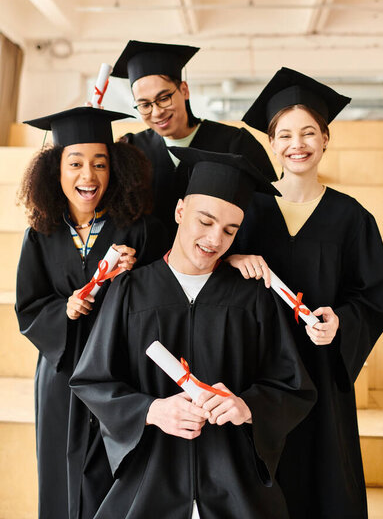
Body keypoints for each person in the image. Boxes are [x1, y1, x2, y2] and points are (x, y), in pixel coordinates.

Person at [70, 148, 316, 519]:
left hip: (235, 485)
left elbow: (293, 387)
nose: (215, 239)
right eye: (205, 221)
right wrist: (151, 410)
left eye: (230, 230)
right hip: (149, 482)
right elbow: (92, 380)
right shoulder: (130, 291)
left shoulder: (251, 298)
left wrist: (246, 406)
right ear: (180, 211)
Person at [227, 67, 383, 519]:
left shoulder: (351, 217)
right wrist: (233, 260)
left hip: (319, 368)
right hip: (257, 368)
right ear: (271, 143)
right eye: (284, 134)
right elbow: (209, 271)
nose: (296, 144)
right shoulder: (248, 210)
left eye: (308, 132)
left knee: (323, 479)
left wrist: (341, 320)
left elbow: (373, 296)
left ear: (325, 138)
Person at [16, 107, 169, 519]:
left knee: (113, 473)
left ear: (115, 170)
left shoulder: (137, 230)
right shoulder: (41, 233)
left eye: (100, 164)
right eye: (76, 163)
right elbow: (28, 306)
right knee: (59, 472)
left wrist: (135, 277)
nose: (89, 176)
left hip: (119, 368)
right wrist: (63, 309)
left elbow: (161, 303)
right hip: (61, 368)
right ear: (55, 170)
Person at [111, 39, 277, 242]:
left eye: (164, 98)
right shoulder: (132, 150)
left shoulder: (236, 143)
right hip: (150, 269)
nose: (157, 112)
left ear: (184, 90)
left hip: (222, 266)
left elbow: (265, 211)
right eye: (144, 105)